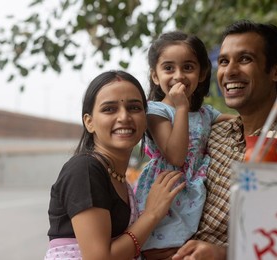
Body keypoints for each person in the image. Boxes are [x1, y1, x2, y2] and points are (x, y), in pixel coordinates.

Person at [144, 20, 277, 260]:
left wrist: (223, 254)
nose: (230, 71)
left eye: (245, 59)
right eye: (224, 61)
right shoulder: (212, 135)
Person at [44, 70, 186, 259]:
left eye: (134, 108)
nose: (124, 117)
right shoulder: (85, 169)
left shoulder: (119, 178)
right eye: (109, 109)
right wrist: (152, 214)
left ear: (145, 118)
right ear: (89, 122)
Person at [134, 31, 234, 251]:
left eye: (188, 67)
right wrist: (181, 107)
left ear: (201, 73)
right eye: (169, 68)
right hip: (166, 193)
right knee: (163, 250)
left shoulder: (205, 113)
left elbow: (241, 120)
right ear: (155, 76)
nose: (178, 75)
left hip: (193, 196)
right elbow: (176, 156)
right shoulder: (155, 111)